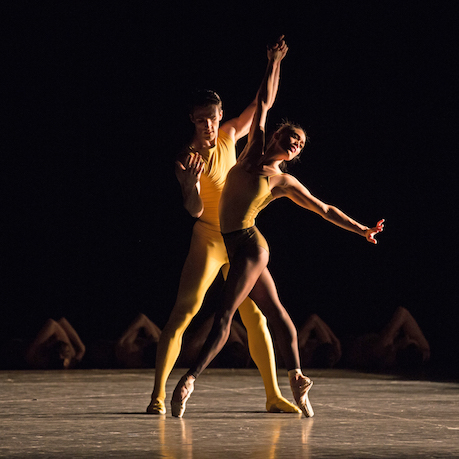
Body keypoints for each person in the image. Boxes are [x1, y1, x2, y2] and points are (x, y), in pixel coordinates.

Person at [171, 37, 384, 418]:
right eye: (293, 137)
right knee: (277, 312)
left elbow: (325, 209)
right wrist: (274, 62)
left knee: (225, 316)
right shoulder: (252, 146)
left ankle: (189, 380)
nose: (297, 145)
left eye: (301, 146)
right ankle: (298, 377)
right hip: (236, 244)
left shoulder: (282, 180)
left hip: (251, 246)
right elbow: (264, 100)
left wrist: (361, 229)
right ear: (276, 135)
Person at [146, 36, 301, 415]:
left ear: (220, 117)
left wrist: (274, 62)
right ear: (192, 120)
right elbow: (196, 210)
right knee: (184, 312)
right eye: (200, 120)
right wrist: (188, 187)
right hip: (209, 239)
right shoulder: (187, 157)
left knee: (255, 316)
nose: (207, 126)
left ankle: (273, 395)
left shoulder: (232, 133)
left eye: (211, 119)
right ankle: (158, 397)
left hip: (238, 241)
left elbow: (264, 102)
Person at [344, 306, 430, 373]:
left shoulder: (384, 351)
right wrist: (390, 334)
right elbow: (403, 312)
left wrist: (388, 336)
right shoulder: (423, 350)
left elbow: (402, 311)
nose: (407, 336)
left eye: (404, 341)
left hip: (349, 344)